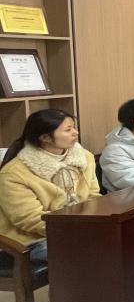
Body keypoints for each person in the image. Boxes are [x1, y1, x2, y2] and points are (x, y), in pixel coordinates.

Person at [0, 109, 101, 263]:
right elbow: (30, 219)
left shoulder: (84, 157)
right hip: (31, 240)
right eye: (68, 130)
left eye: (74, 127)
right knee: (90, 249)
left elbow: (93, 196)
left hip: (77, 227)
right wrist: (77, 230)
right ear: (45, 137)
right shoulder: (14, 173)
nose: (75, 133)